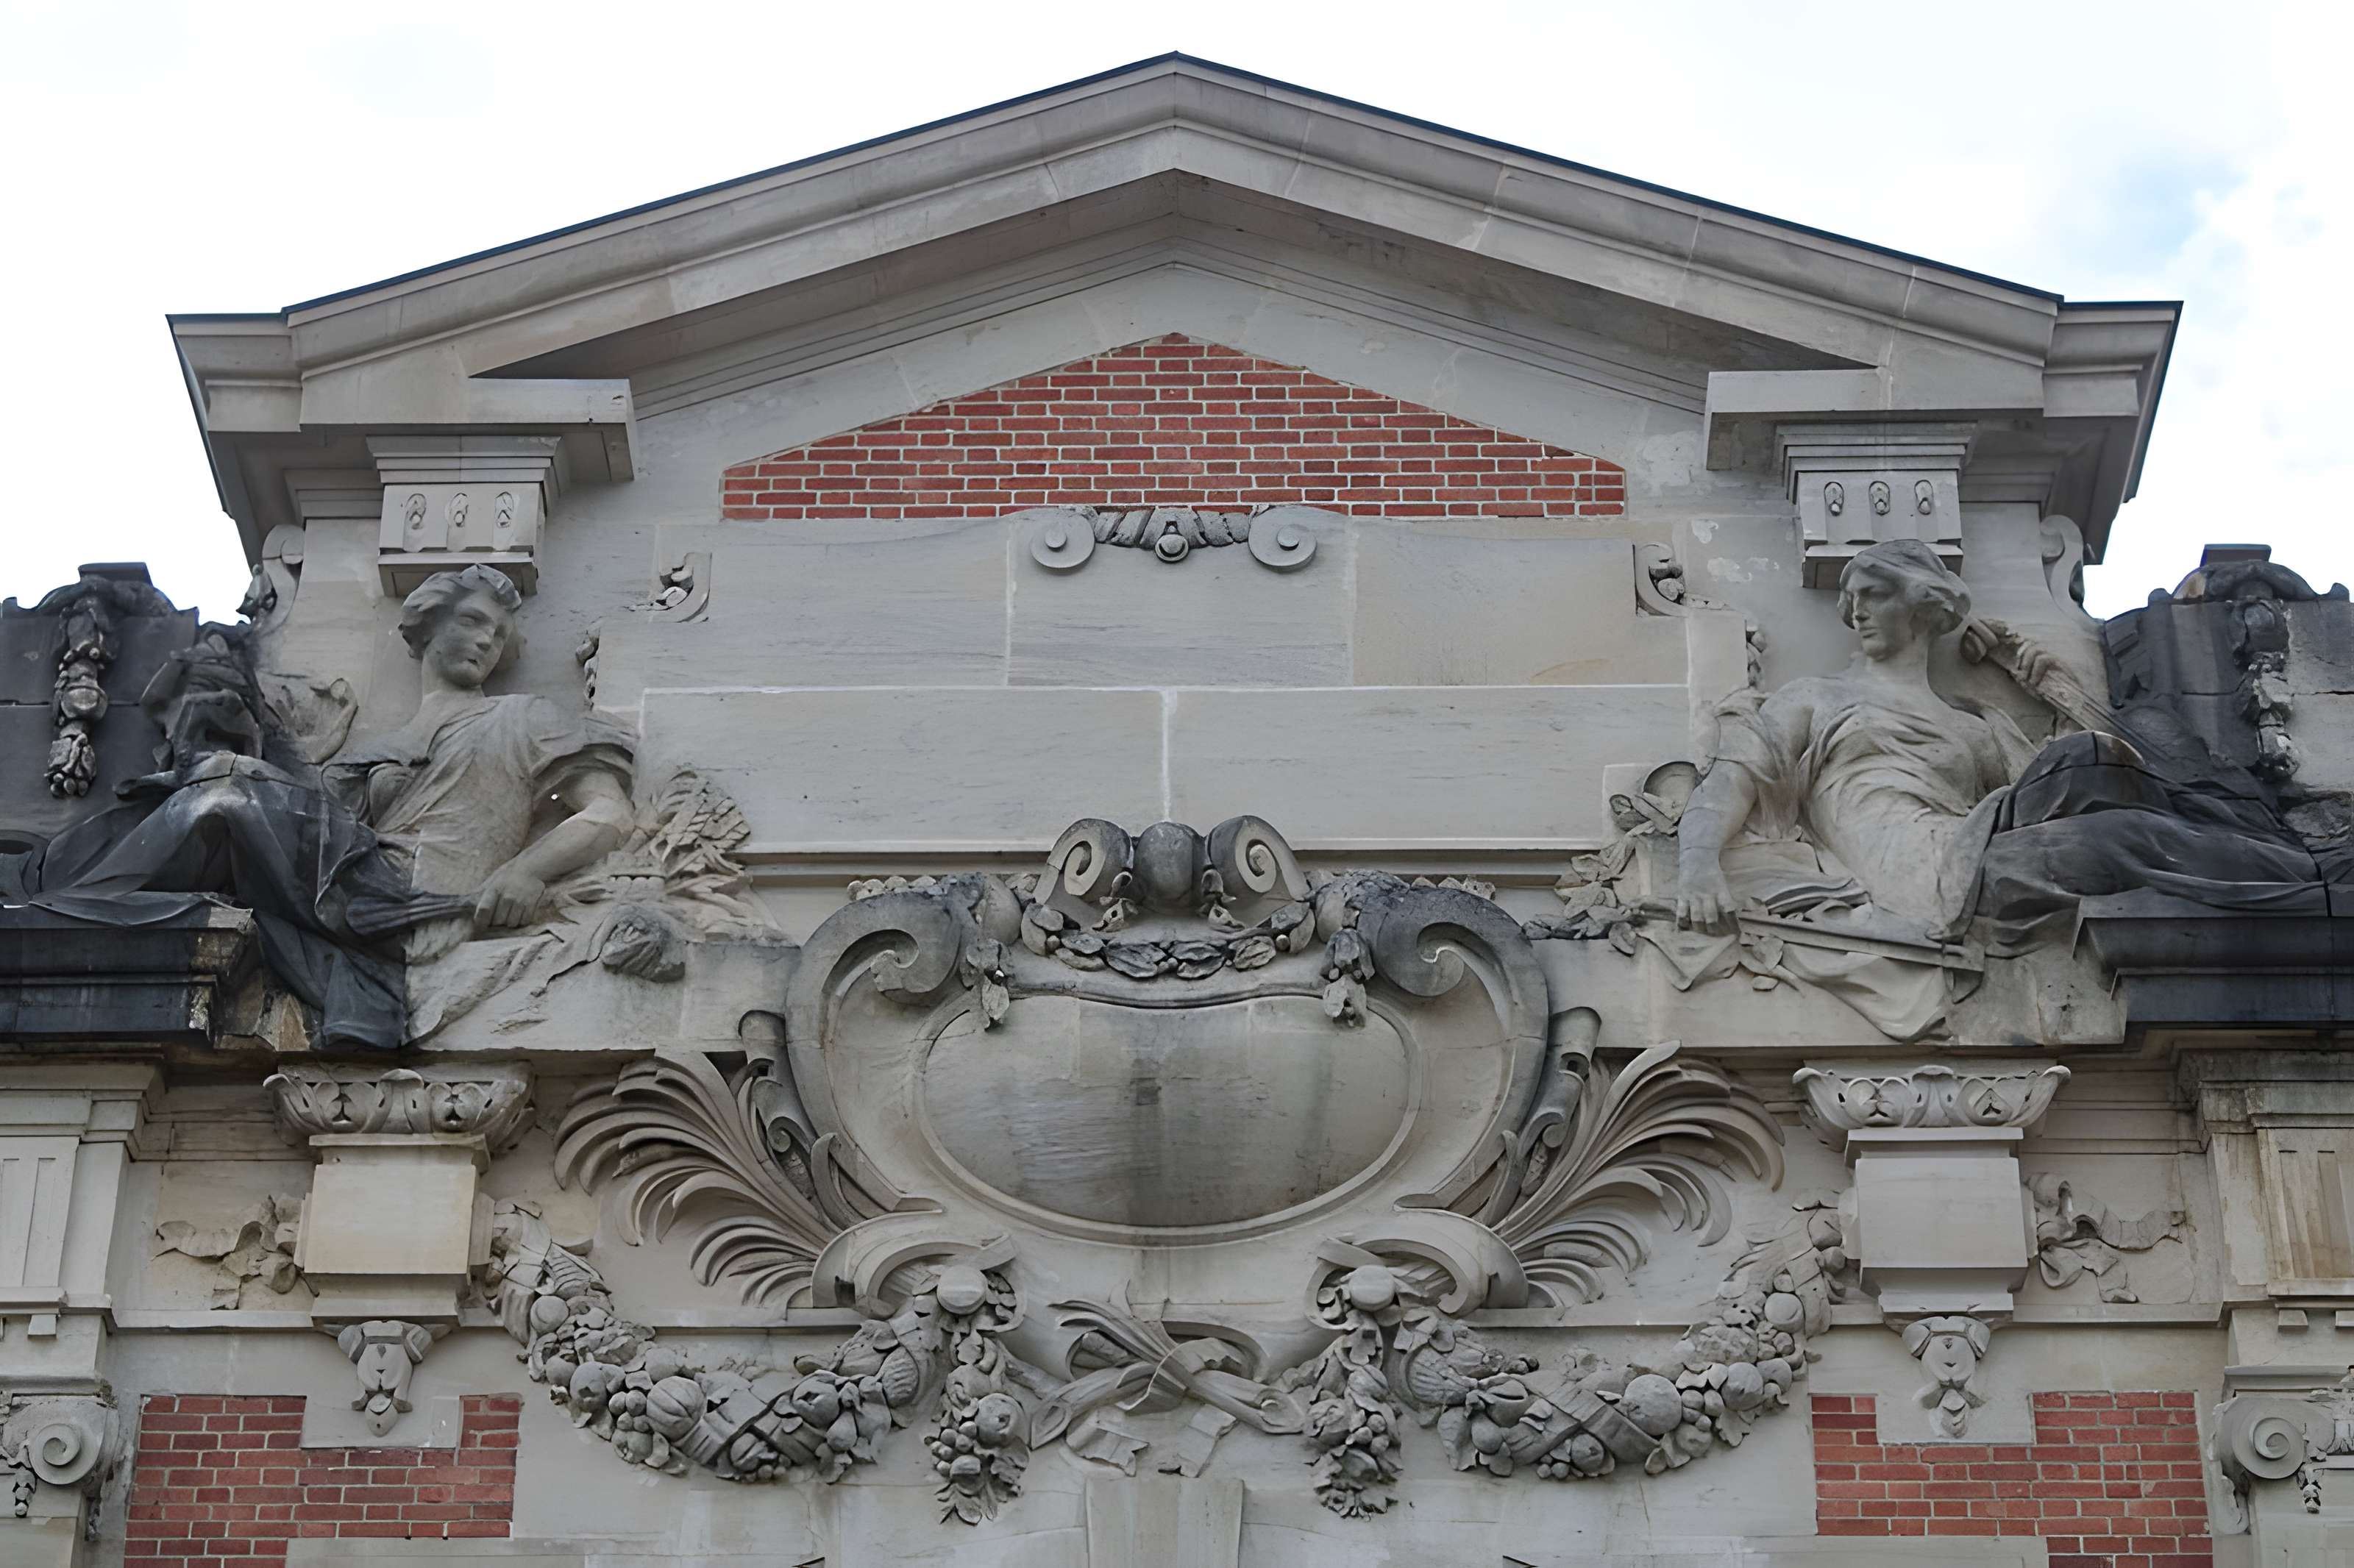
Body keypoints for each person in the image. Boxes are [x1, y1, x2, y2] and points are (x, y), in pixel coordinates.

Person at [7, 566, 633, 1048]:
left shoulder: (523, 717)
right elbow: (323, 821)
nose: (485, 641)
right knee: (217, 785)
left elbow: (607, 813)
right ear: (427, 625)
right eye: (472, 621)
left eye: (498, 634)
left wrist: (526, 870)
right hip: (366, 882)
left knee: (227, 791)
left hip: (424, 893)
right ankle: (53, 890)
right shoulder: (384, 745)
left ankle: (49, 893)